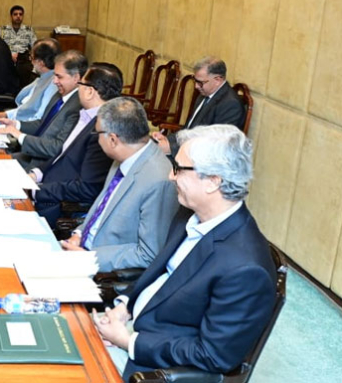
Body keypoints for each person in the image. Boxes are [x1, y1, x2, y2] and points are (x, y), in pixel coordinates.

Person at [95, 125, 277, 381]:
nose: (170, 176)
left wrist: (129, 341)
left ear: (213, 181)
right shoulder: (189, 214)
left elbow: (212, 355)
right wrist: (125, 306)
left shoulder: (246, 268)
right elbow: (159, 274)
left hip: (150, 366)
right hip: (130, 324)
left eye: (178, 168)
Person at [60, 97, 180, 272]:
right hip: (78, 250)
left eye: (97, 133)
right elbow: (102, 210)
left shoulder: (159, 181)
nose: (96, 138)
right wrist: (78, 234)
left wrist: (88, 258)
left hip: (102, 271)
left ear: (113, 140)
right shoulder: (126, 155)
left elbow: (149, 254)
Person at [30, 64, 123, 224]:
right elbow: (61, 155)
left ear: (89, 91)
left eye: (80, 84)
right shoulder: (84, 115)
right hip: (44, 184)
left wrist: (35, 191)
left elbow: (87, 188)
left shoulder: (102, 131)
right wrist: (35, 174)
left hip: (53, 203)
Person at [0, 50, 88, 169]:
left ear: (76, 78)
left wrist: (20, 136)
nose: (54, 81)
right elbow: (42, 124)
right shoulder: (59, 95)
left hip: (43, 166)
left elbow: (57, 148)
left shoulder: (78, 107)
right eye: (55, 75)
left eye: (59, 77)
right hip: (31, 156)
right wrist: (15, 124)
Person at [151, 57, 245, 156]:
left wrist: (171, 148)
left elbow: (213, 145)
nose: (196, 86)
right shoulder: (204, 94)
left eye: (200, 82)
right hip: (185, 150)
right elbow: (189, 129)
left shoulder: (231, 105)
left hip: (199, 160)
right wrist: (167, 139)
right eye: (195, 81)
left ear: (217, 80)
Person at [0, 38, 63, 122]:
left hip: (20, 126)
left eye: (32, 58)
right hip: (14, 119)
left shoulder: (53, 84)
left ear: (40, 62)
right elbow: (23, 108)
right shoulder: (43, 78)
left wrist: (9, 123)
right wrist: (3, 115)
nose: (31, 61)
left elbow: (37, 119)